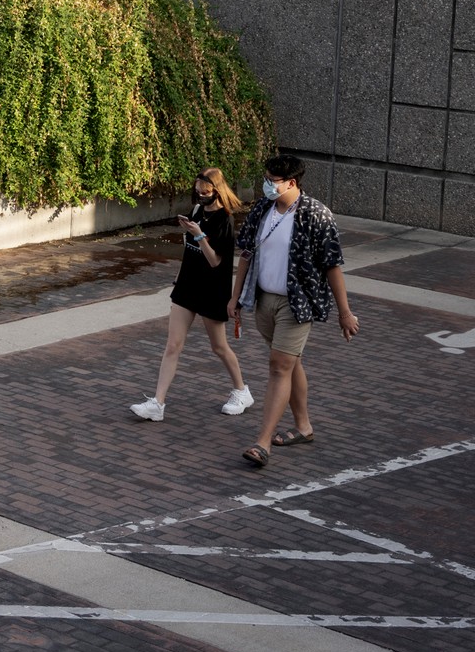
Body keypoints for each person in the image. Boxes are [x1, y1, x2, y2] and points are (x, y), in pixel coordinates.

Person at [228, 154, 359, 467]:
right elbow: (246, 253)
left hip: (297, 304)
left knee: (279, 365)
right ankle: (303, 427)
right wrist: (235, 298)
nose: (267, 185)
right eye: (267, 178)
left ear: (292, 182)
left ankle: (262, 443)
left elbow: (332, 266)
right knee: (290, 362)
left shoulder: (316, 214)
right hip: (264, 301)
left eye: (272, 181)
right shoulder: (262, 209)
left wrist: (345, 312)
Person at [131, 168, 253, 421]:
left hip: (212, 289)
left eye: (206, 192)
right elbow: (189, 251)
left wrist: (199, 236)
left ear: (216, 191)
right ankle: (158, 403)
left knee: (219, 346)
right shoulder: (196, 211)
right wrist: (180, 273)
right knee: (173, 344)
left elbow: (214, 261)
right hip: (187, 285)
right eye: (197, 192)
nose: (200, 196)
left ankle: (242, 391)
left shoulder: (224, 220)